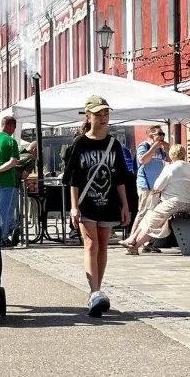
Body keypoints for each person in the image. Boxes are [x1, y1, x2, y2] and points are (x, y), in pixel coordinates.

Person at [63, 95, 135, 318]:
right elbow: (73, 179)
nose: (103, 118)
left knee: (103, 245)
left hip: (109, 201)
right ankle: (95, 292)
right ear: (88, 116)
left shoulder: (114, 145)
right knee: (91, 243)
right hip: (86, 203)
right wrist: (74, 207)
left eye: (105, 113)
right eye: (98, 114)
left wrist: (125, 205)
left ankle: (97, 289)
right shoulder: (80, 143)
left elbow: (121, 178)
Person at [122, 145, 190, 251]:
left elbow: (157, 186)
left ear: (171, 155)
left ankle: (135, 245)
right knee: (150, 214)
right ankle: (132, 239)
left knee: (152, 220)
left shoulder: (170, 168)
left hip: (172, 203)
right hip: (189, 205)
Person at [125, 126, 170, 255]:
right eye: (159, 134)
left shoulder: (160, 149)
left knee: (152, 214)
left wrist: (166, 149)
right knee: (143, 212)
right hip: (145, 185)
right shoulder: (144, 146)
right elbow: (142, 160)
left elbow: (168, 161)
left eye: (163, 134)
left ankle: (147, 243)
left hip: (156, 186)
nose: (162, 136)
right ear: (151, 135)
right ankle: (131, 241)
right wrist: (154, 147)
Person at [0, 116, 21, 246]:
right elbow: (14, 161)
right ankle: (2, 238)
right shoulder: (10, 141)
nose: (13, 130)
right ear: (9, 126)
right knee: (5, 211)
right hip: (7, 181)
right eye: (14, 127)